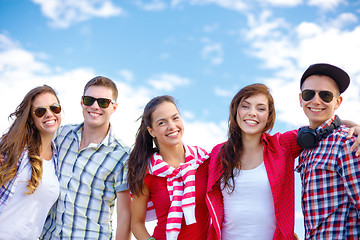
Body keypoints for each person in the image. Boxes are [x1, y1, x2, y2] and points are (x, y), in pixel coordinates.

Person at [206, 83, 302, 240]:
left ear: (269, 116)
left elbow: (318, 129)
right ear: (236, 110)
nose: (252, 113)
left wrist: (353, 126)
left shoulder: (281, 145)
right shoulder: (219, 154)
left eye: (261, 108)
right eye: (245, 106)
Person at [41, 76, 131, 240]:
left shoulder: (123, 156)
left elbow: (125, 217)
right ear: (82, 102)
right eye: (89, 100)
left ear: (114, 107)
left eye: (103, 102)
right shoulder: (60, 135)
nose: (95, 106)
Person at [127, 95, 210, 240]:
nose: (172, 126)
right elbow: (136, 223)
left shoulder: (204, 160)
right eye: (162, 123)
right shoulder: (146, 172)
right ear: (151, 131)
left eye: (175, 118)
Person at [295, 63, 360, 239]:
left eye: (325, 95)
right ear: (301, 99)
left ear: (337, 102)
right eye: (309, 94)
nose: (316, 101)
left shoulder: (346, 143)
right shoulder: (306, 145)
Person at [0, 85, 61, 239]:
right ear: (31, 119)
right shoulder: (15, 148)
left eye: (54, 108)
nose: (49, 114)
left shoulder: (58, 158)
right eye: (40, 111)